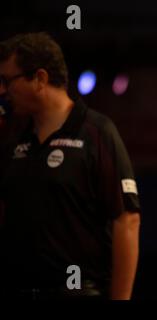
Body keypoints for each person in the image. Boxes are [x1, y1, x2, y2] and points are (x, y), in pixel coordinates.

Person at [0, 32, 141, 300]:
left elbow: (128, 220)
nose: (2, 91)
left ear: (39, 79)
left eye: (7, 81)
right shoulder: (12, 136)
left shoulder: (97, 132)